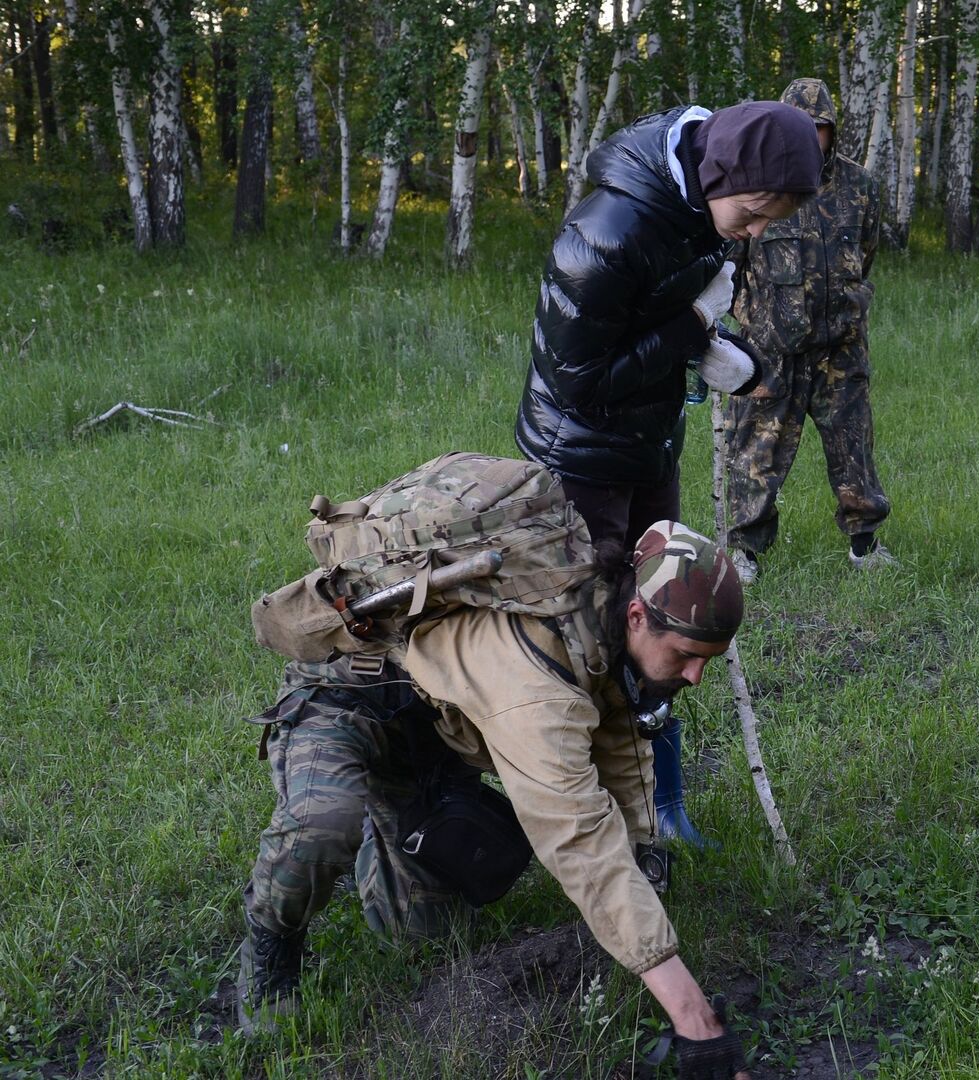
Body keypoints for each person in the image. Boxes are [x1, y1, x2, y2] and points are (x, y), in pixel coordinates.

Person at [237, 516, 755, 1080]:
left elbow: (618, 738)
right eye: (686, 655)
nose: (698, 676)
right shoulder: (536, 685)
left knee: (421, 931)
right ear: (638, 615)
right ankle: (271, 945)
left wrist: (642, 852)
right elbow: (577, 836)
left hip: (433, 732)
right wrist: (692, 1016)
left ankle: (383, 820)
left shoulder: (604, 615)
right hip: (345, 698)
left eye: (709, 657)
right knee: (323, 823)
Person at [515, 100, 821, 847]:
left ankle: (661, 802)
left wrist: (724, 354)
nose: (752, 233)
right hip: (578, 455)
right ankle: (586, 815)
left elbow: (675, 318)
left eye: (766, 222)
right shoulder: (606, 233)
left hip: (650, 442)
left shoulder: (703, 214)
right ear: (718, 173)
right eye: (751, 213)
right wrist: (690, 333)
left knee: (669, 610)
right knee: (588, 630)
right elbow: (581, 380)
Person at [722, 78, 894, 585]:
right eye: (803, 127)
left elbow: (865, 254)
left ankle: (865, 544)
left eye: (820, 128)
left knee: (853, 445)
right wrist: (755, 322)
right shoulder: (756, 182)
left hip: (839, 346)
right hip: (772, 349)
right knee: (756, 450)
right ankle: (745, 550)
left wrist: (846, 304)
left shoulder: (860, 186)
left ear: (832, 131)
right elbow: (729, 262)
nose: (812, 137)